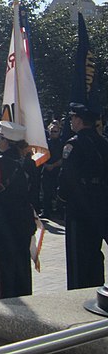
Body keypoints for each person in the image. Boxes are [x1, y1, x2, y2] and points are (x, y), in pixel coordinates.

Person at [0, 121, 36, 298]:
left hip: (2, 224)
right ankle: (25, 298)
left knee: (4, 269)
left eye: (0, 138)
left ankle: (8, 303)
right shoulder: (29, 164)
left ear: (6, 141)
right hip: (24, 222)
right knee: (22, 266)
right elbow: (34, 194)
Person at [57, 103, 108, 289]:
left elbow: (66, 177)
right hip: (100, 202)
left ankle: (78, 293)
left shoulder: (74, 144)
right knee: (95, 251)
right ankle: (96, 286)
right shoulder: (103, 143)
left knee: (78, 255)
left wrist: (62, 199)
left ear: (79, 120)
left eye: (72, 118)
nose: (71, 121)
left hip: (79, 207)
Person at [40, 121, 64, 218]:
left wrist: (53, 165)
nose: (53, 133)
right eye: (52, 131)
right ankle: (46, 211)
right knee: (46, 192)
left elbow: (63, 158)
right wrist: (46, 165)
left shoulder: (62, 143)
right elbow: (40, 155)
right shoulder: (45, 143)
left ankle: (59, 211)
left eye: (55, 131)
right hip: (46, 170)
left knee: (57, 192)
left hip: (57, 170)